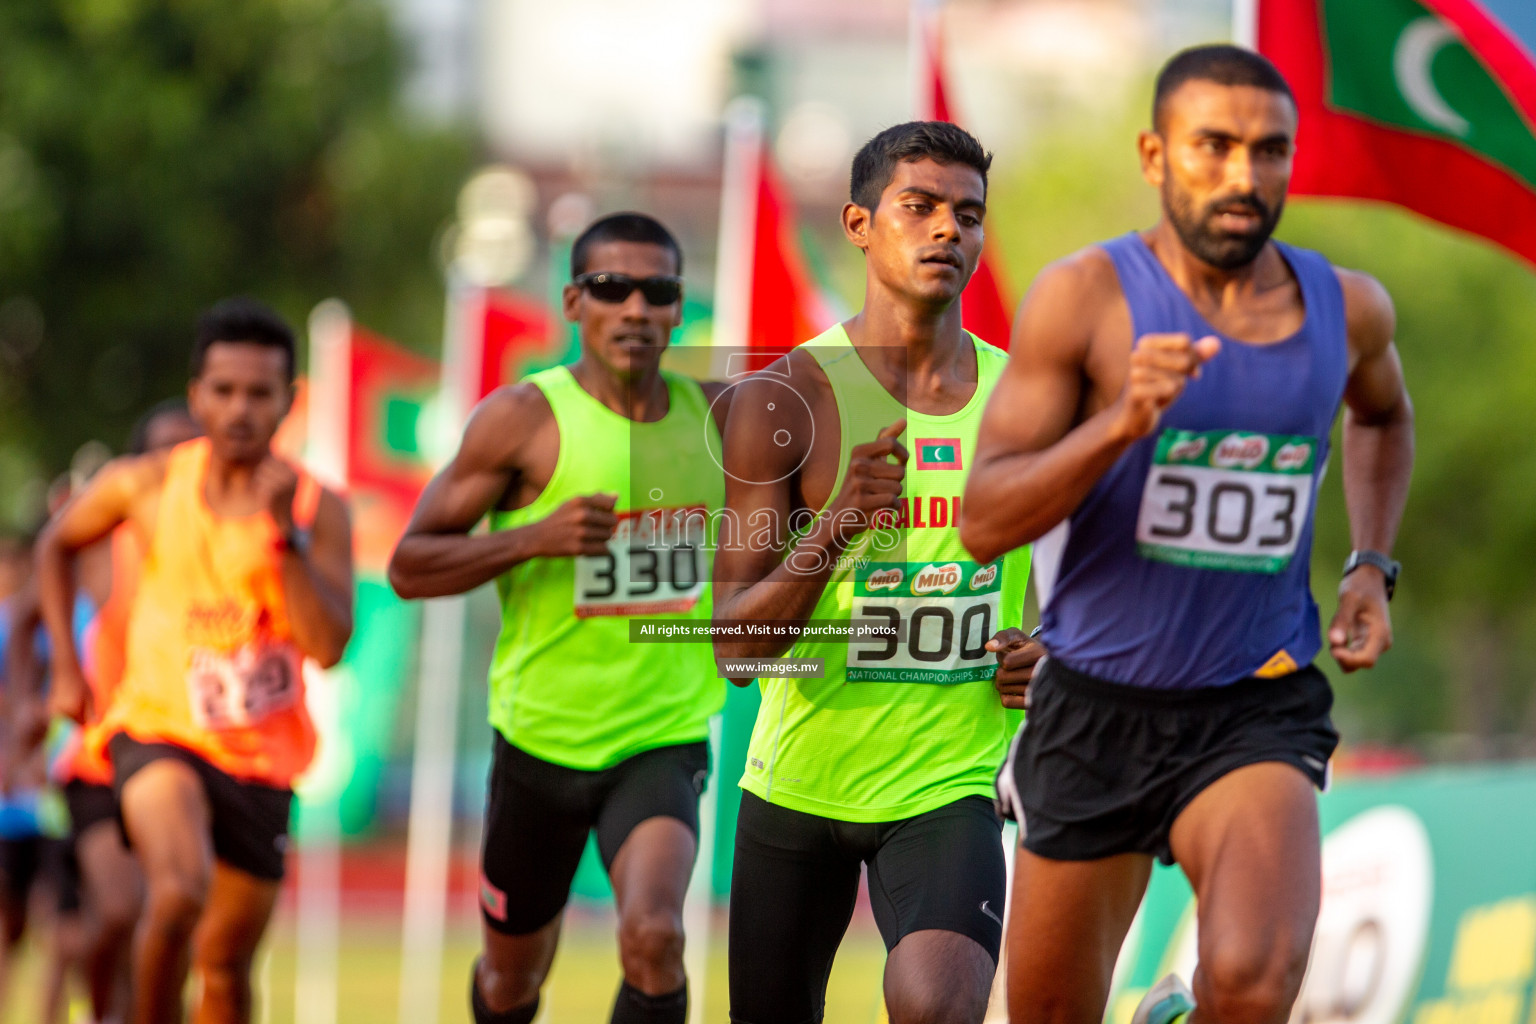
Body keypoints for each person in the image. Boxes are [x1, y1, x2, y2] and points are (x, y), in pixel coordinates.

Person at [959, 45, 1414, 1024]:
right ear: (1156, 155)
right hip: (1092, 708)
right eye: (1214, 146)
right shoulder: (1084, 298)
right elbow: (983, 521)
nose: (1245, 175)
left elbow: (1383, 414)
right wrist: (1120, 421)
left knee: (1252, 981)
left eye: (1270, 150)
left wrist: (1370, 565)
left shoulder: (1348, 309)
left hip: (1253, 702)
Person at [712, 121, 1041, 1024]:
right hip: (798, 787)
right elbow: (737, 646)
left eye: (968, 215)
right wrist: (840, 525)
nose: (948, 231)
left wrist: (1051, 652)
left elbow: (1091, 585)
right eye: (920, 207)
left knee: (938, 1005)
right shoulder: (784, 400)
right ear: (860, 224)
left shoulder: (1028, 405)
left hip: (950, 784)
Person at [390, 213, 729, 1024]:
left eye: (658, 291)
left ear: (680, 309)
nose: (637, 309)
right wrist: (538, 536)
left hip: (662, 735)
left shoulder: (722, 419)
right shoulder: (522, 419)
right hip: (537, 742)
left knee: (653, 935)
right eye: (613, 288)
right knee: (512, 981)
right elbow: (410, 565)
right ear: (575, 301)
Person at [36, 299, 354, 1024]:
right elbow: (57, 543)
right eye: (224, 390)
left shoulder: (318, 508)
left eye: (259, 393)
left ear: (288, 401)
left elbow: (328, 647)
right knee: (177, 891)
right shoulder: (145, 485)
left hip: (262, 756)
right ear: (196, 396)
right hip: (159, 729)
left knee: (226, 968)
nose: (240, 409)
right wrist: (63, 671)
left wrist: (286, 541)